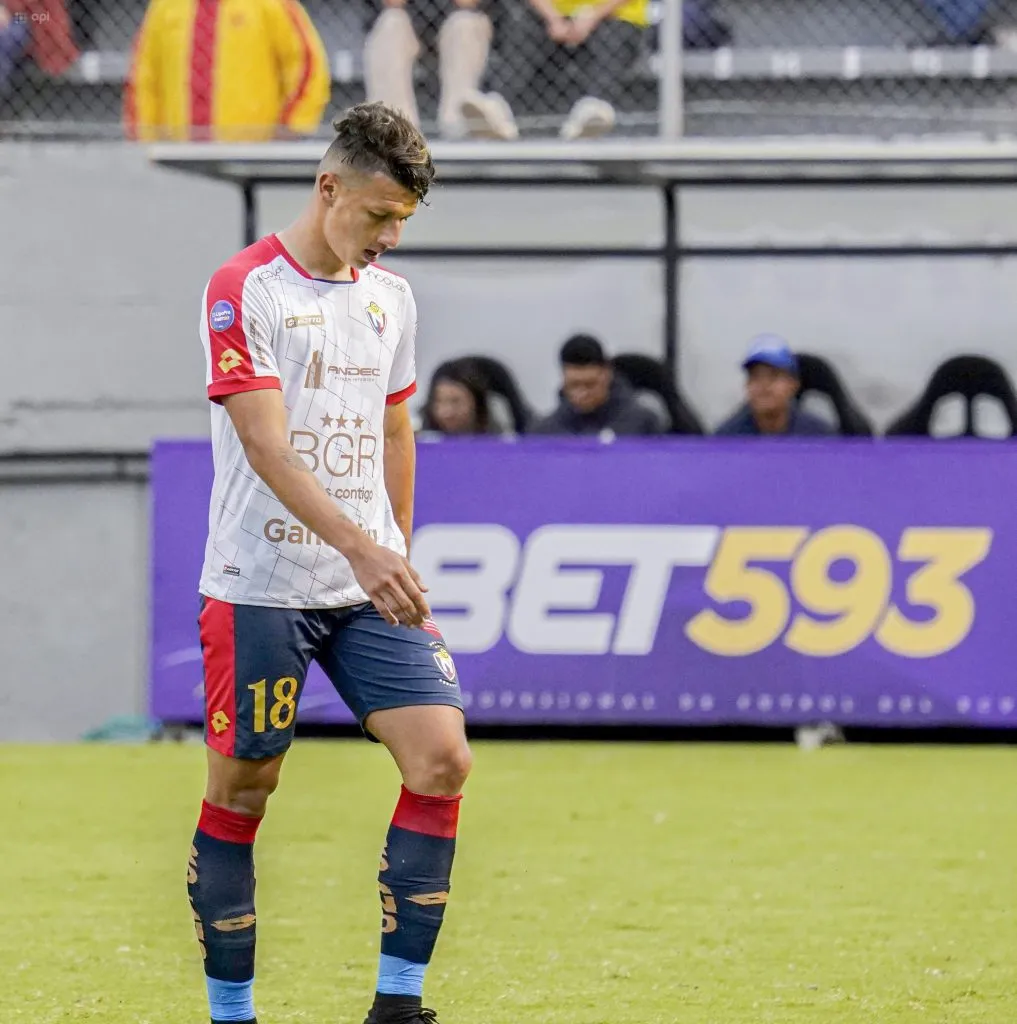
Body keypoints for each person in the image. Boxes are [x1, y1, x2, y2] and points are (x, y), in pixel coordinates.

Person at [189, 102, 470, 1024]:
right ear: (328, 187)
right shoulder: (245, 290)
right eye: (378, 213)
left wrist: (394, 548)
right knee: (245, 788)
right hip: (259, 584)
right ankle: (234, 1014)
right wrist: (361, 545)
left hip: (364, 586)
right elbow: (267, 449)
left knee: (441, 761)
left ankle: (397, 1006)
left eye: (403, 221)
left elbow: (395, 424)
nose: (389, 236)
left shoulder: (392, 297)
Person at [124, 0, 331, 142]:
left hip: (250, 160)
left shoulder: (269, 4)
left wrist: (289, 131)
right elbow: (143, 80)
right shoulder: (165, 6)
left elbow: (308, 66)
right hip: (180, 163)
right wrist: (145, 145)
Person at [364, 0, 517, 140]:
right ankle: (395, 130)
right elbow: (393, 2)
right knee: (391, 22)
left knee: (464, 23)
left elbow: (467, 3)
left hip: (456, 23)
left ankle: (460, 123)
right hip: (411, 25)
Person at [498, 0, 649, 140]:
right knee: (524, 26)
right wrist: (553, 18)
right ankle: (498, 107)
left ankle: (593, 110)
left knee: (613, 37)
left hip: (613, 16)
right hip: (554, 19)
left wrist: (593, 16)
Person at [531, 334, 663, 435]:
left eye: (590, 384)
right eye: (574, 385)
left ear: (607, 375)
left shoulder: (643, 425)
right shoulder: (545, 432)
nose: (582, 393)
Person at [714, 335, 835, 437]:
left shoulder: (818, 436)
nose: (764, 385)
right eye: (756, 377)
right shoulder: (727, 438)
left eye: (773, 376)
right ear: (747, 384)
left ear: (793, 384)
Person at [419, 359, 494, 434]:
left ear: (476, 403)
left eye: (456, 401)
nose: (447, 413)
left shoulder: (498, 433)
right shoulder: (420, 437)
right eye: (439, 401)